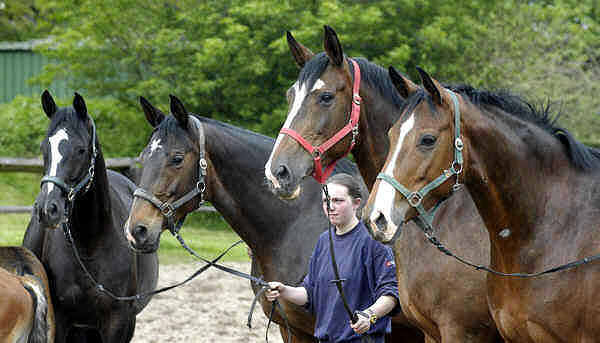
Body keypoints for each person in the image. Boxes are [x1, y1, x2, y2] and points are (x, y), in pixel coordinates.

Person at [266, 173, 399, 343]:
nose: (330, 206)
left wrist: (369, 316)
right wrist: (285, 291)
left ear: (356, 203)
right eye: (326, 201)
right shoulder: (323, 241)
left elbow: (391, 293)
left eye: (338, 200)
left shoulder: (373, 241)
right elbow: (310, 292)